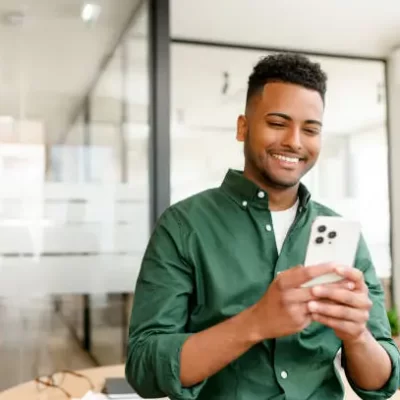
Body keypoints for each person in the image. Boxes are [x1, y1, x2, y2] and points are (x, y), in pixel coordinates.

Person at [125, 53, 399, 399]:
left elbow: (380, 385)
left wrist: (357, 336)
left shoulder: (340, 232)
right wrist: (255, 323)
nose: (295, 141)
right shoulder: (183, 226)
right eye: (278, 122)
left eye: (310, 129)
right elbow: (144, 368)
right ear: (243, 127)